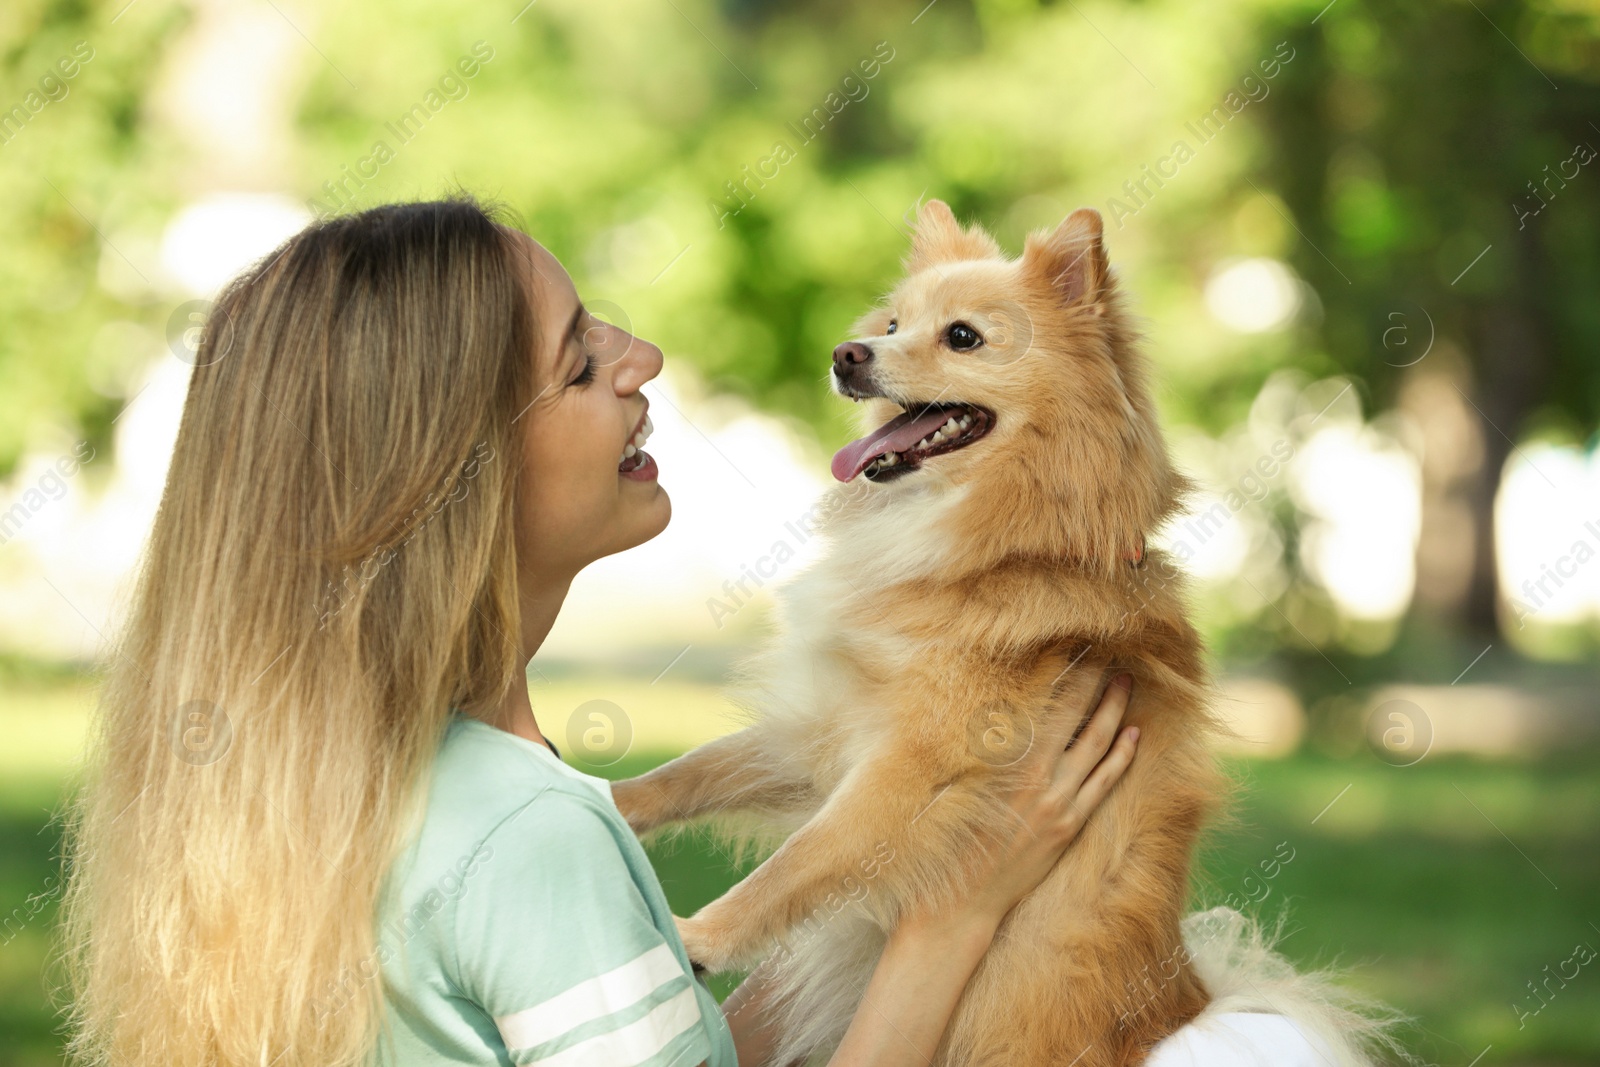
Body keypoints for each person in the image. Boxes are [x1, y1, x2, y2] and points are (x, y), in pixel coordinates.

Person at [59, 196, 1139, 1067]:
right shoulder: (528, 838)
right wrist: (946, 921)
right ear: (453, 473)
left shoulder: (356, 783)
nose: (646, 358)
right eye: (580, 361)